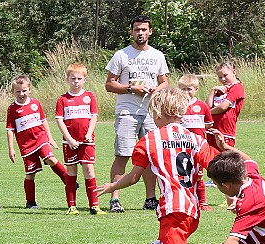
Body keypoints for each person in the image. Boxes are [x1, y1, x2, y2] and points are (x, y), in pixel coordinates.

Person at [96, 88, 220, 244]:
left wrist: (112, 186)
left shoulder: (149, 141)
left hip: (173, 211)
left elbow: (133, 177)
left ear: (161, 112)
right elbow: (218, 167)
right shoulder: (196, 140)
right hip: (191, 209)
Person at [105, 15, 169, 213]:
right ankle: (115, 199)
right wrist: (132, 89)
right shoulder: (121, 55)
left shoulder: (157, 55)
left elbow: (164, 81)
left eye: (143, 29)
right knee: (123, 154)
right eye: (136, 29)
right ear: (131, 32)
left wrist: (156, 90)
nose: (140, 33)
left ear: (150, 32)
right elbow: (109, 84)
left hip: (151, 113)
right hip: (127, 112)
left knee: (150, 157)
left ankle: (150, 199)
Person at [6, 75, 67, 209]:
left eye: (24, 90)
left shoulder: (35, 103)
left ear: (29, 89)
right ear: (13, 92)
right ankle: (30, 202)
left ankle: (68, 180)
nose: (21, 94)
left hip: (41, 138)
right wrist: (11, 148)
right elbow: (10, 129)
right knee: (30, 174)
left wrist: (50, 138)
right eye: (18, 91)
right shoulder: (12, 109)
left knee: (50, 158)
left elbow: (43, 121)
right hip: (26, 146)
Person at [55, 63, 105, 215]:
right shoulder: (63, 99)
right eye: (72, 78)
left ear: (84, 79)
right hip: (70, 143)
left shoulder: (89, 96)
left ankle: (94, 205)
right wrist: (69, 139)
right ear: (67, 80)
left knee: (89, 170)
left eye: (79, 78)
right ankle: (72, 206)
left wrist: (89, 133)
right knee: (71, 172)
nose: (76, 81)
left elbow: (94, 116)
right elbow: (59, 120)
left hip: (86, 142)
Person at [205, 62, 245, 210]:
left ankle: (233, 198)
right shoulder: (221, 89)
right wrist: (213, 91)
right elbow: (208, 105)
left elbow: (223, 107)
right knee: (213, 160)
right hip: (212, 129)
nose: (223, 79)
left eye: (225, 75)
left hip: (225, 131)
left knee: (227, 165)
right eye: (220, 76)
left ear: (234, 72)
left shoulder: (237, 88)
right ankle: (226, 195)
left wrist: (207, 113)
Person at [178, 74, 214, 212]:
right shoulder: (178, 106)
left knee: (199, 174)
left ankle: (202, 202)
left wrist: (199, 132)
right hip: (181, 145)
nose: (186, 92)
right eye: (183, 89)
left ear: (196, 89)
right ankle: (186, 200)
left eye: (189, 89)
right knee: (183, 172)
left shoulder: (202, 106)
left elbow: (209, 124)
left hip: (198, 146)